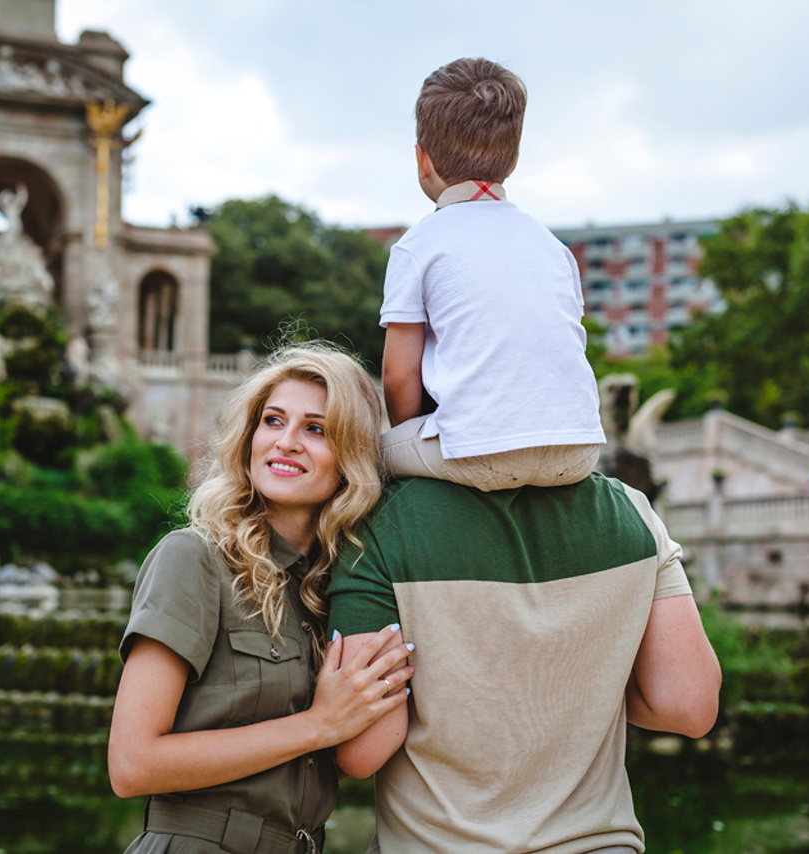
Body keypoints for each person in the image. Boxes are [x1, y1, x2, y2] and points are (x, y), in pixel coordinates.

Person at [108, 343, 415, 854]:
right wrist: (317, 725)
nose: (286, 442)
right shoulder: (194, 558)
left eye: (316, 429)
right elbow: (132, 764)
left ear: (352, 455)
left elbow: (352, 757)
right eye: (272, 421)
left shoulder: (333, 590)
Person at [327, 473, 722, 853]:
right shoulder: (628, 510)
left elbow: (365, 750)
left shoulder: (380, 523)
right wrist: (592, 686)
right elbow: (688, 706)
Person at [380, 57, 605, 492]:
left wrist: (414, 434)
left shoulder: (418, 245)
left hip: (480, 454)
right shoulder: (554, 247)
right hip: (579, 451)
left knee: (371, 454)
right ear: (515, 158)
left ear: (421, 159)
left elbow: (399, 376)